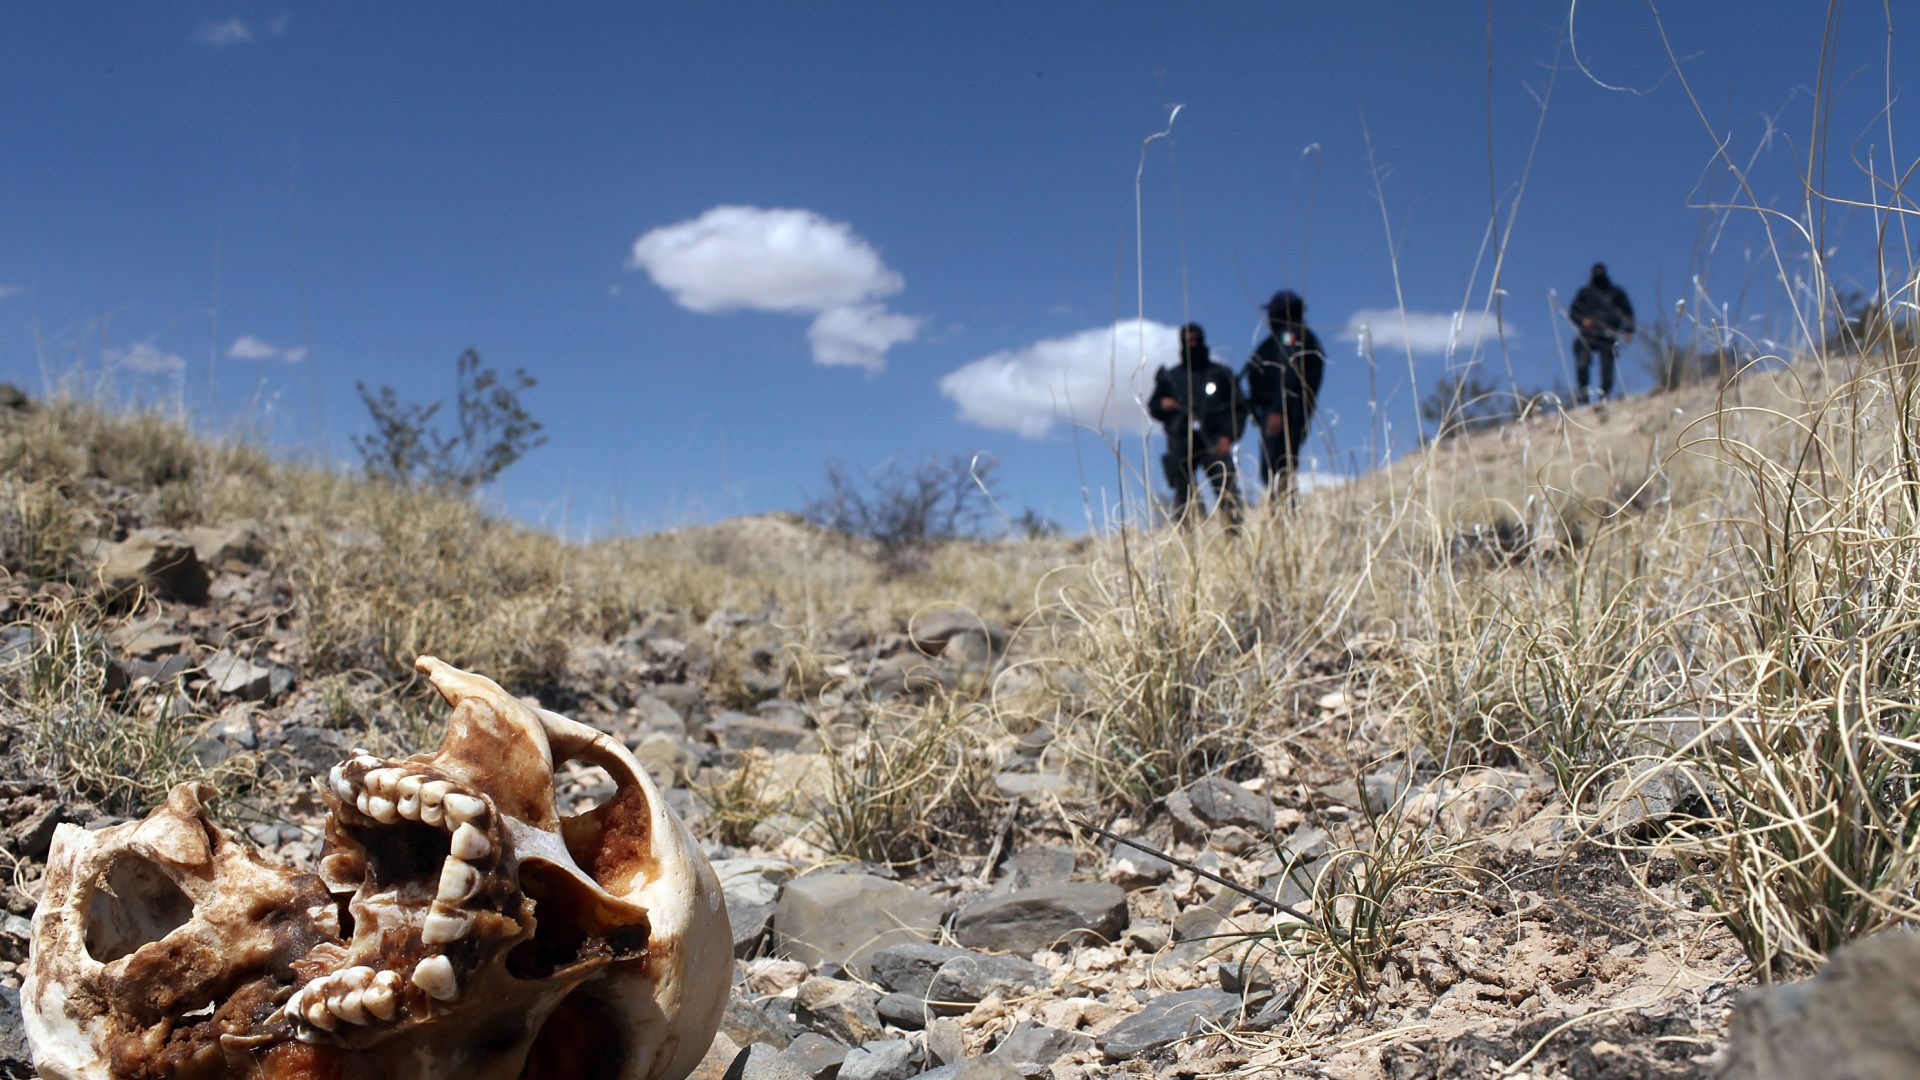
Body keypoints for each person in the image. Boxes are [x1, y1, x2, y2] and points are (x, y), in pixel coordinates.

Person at [1149, 323, 1245, 526]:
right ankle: (1187, 538)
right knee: (1183, 495)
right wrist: (1162, 404)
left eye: (1195, 339)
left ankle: (1234, 536)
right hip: (1182, 441)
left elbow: (1239, 408)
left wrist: (1229, 435)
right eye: (1187, 340)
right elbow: (1153, 405)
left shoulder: (1220, 374)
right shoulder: (1172, 377)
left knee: (1227, 490)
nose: (1192, 344)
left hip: (1215, 439)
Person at [1242, 290, 1324, 500]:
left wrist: (1278, 409)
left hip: (1283, 413)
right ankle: (1283, 519)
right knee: (1277, 470)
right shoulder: (1284, 338)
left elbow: (1290, 373)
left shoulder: (1290, 336)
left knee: (1277, 470)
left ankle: (1286, 519)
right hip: (1280, 411)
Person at [1567, 262, 1635, 403]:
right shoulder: (1585, 293)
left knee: (1607, 368)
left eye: (1601, 271)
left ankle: (1604, 396)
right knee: (1582, 361)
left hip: (1608, 334)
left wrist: (1629, 330)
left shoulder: (1616, 292)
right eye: (1596, 271)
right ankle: (1584, 391)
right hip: (1588, 333)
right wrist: (1583, 320)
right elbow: (1573, 312)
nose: (1599, 274)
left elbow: (1627, 312)